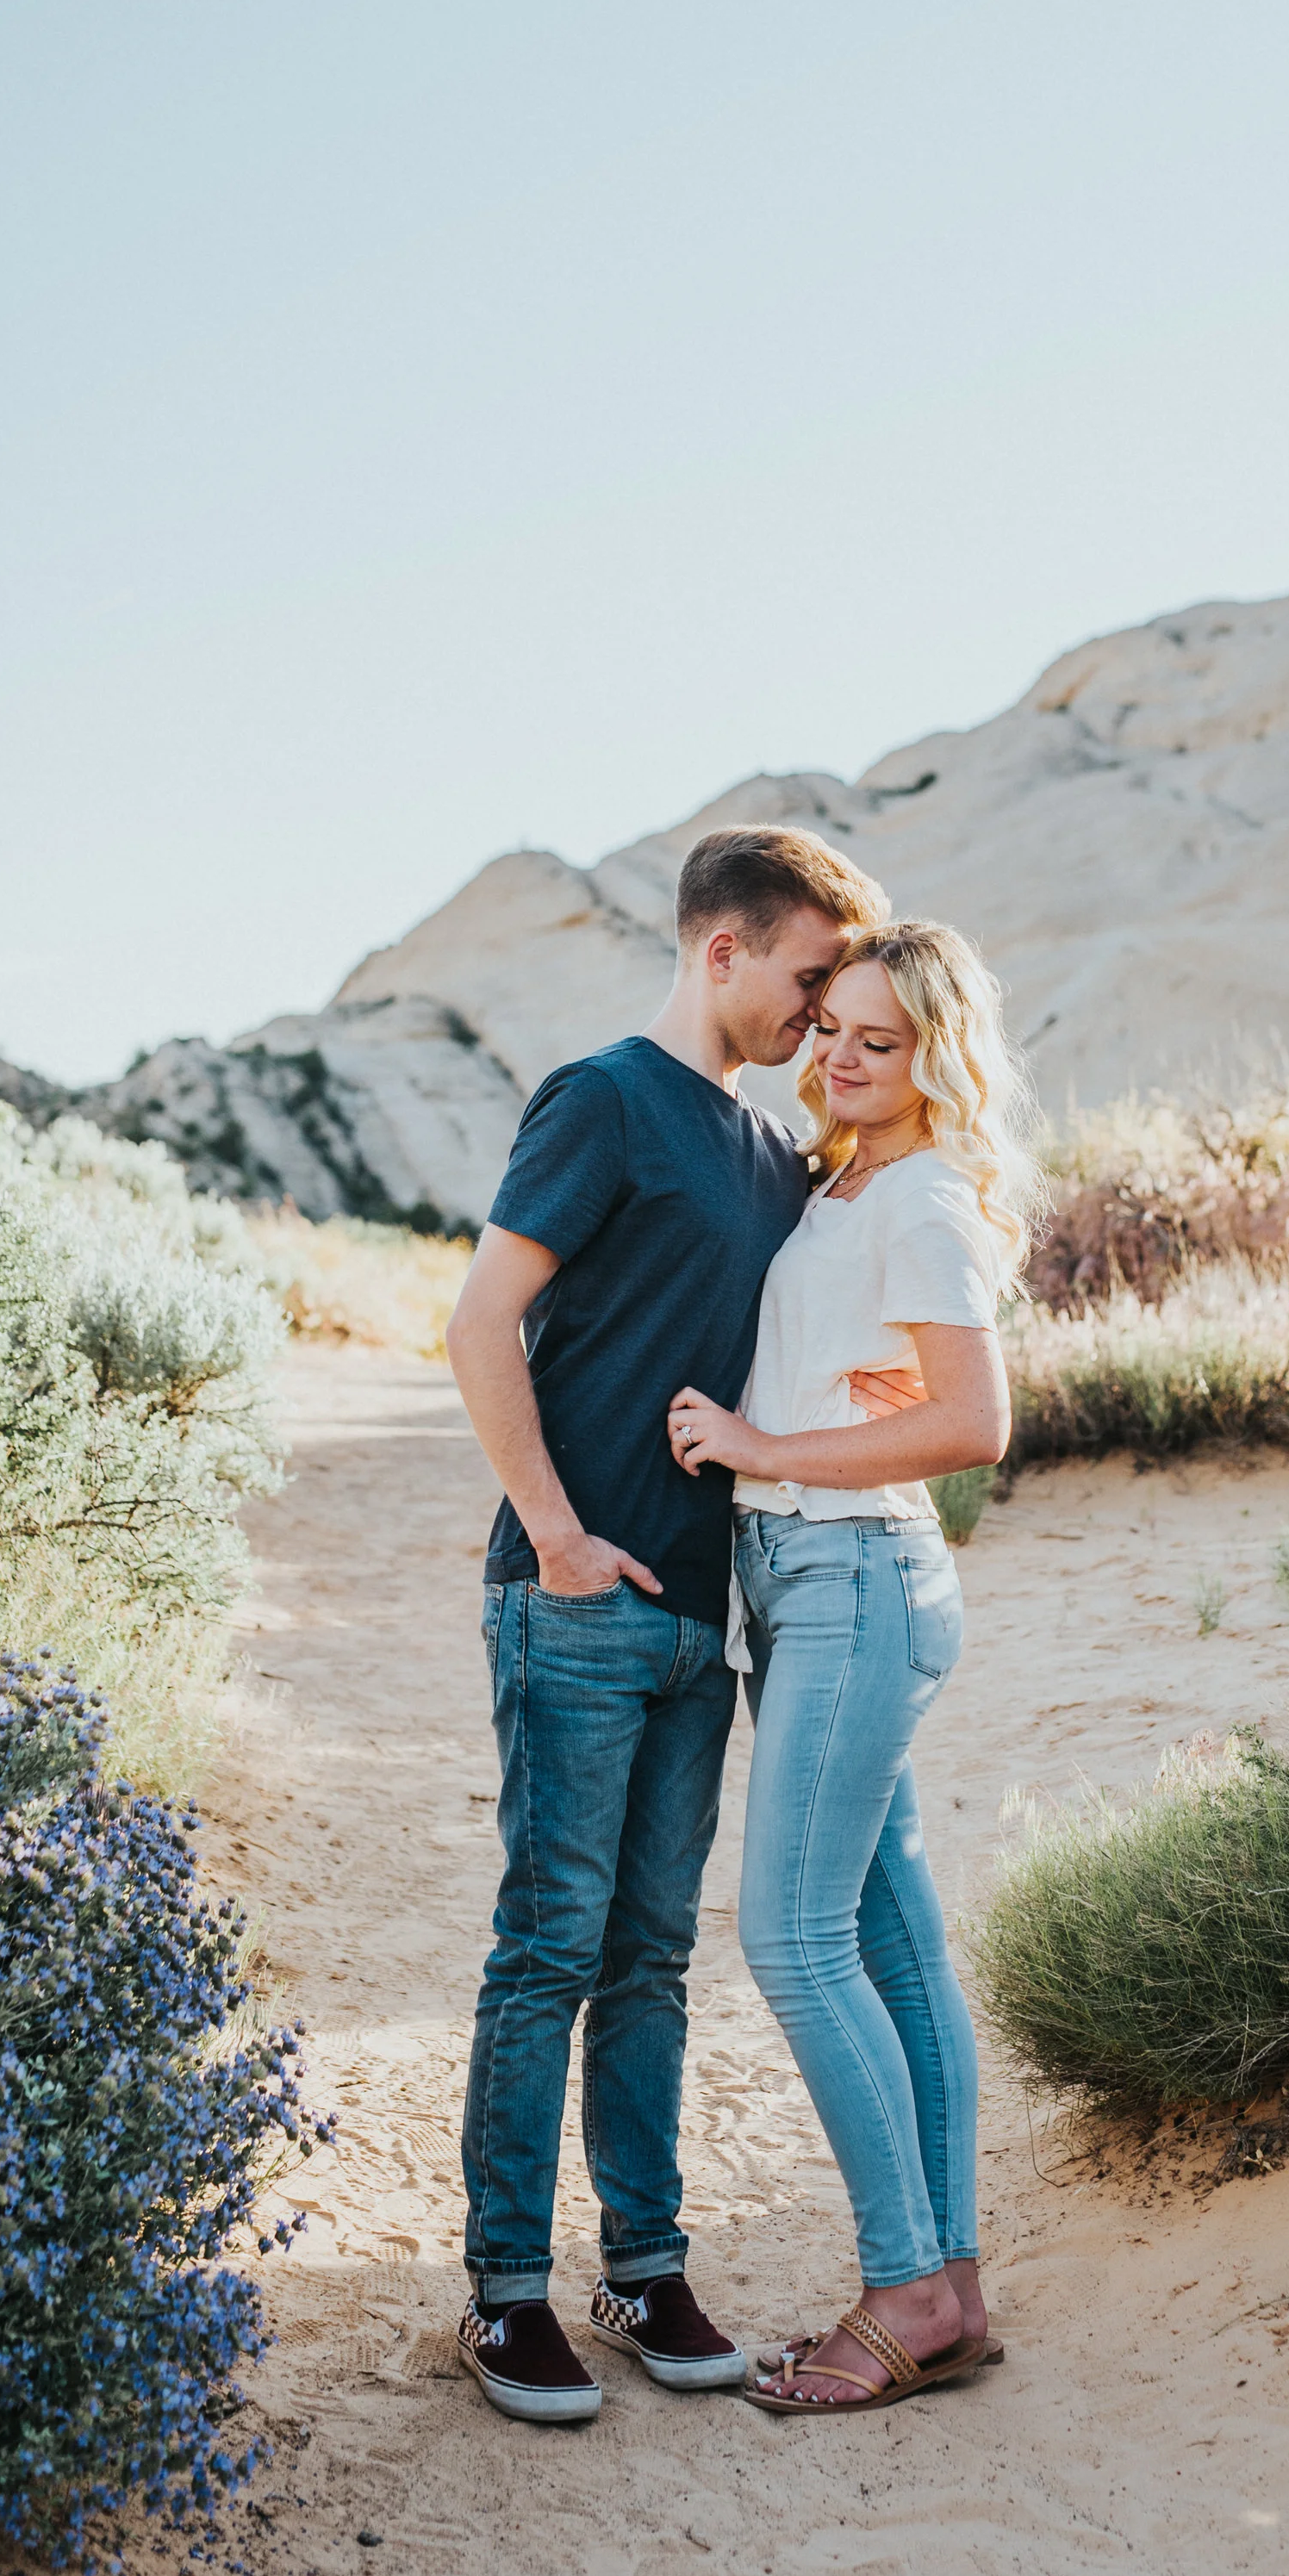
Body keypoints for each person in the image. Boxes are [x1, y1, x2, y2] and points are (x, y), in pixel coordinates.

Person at [445, 822, 887, 2424]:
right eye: (811, 974)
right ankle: (506, 2292)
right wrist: (558, 1537)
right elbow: (481, 1319)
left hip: (706, 1626)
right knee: (549, 1943)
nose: (822, 1012)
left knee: (647, 1959)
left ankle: (642, 2269)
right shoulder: (604, 1099)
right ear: (725, 950)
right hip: (573, 1600)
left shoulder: (775, 1155)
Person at [666, 919, 1040, 2411]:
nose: (839, 1056)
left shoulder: (929, 1193)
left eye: (879, 1043)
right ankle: (951, 2288)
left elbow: (974, 1424)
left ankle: (901, 2293)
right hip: (813, 1575)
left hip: (853, 1576)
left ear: (935, 1059)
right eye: (833, 1028)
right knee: (891, 1944)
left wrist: (765, 1447)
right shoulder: (850, 1178)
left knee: (793, 1939)